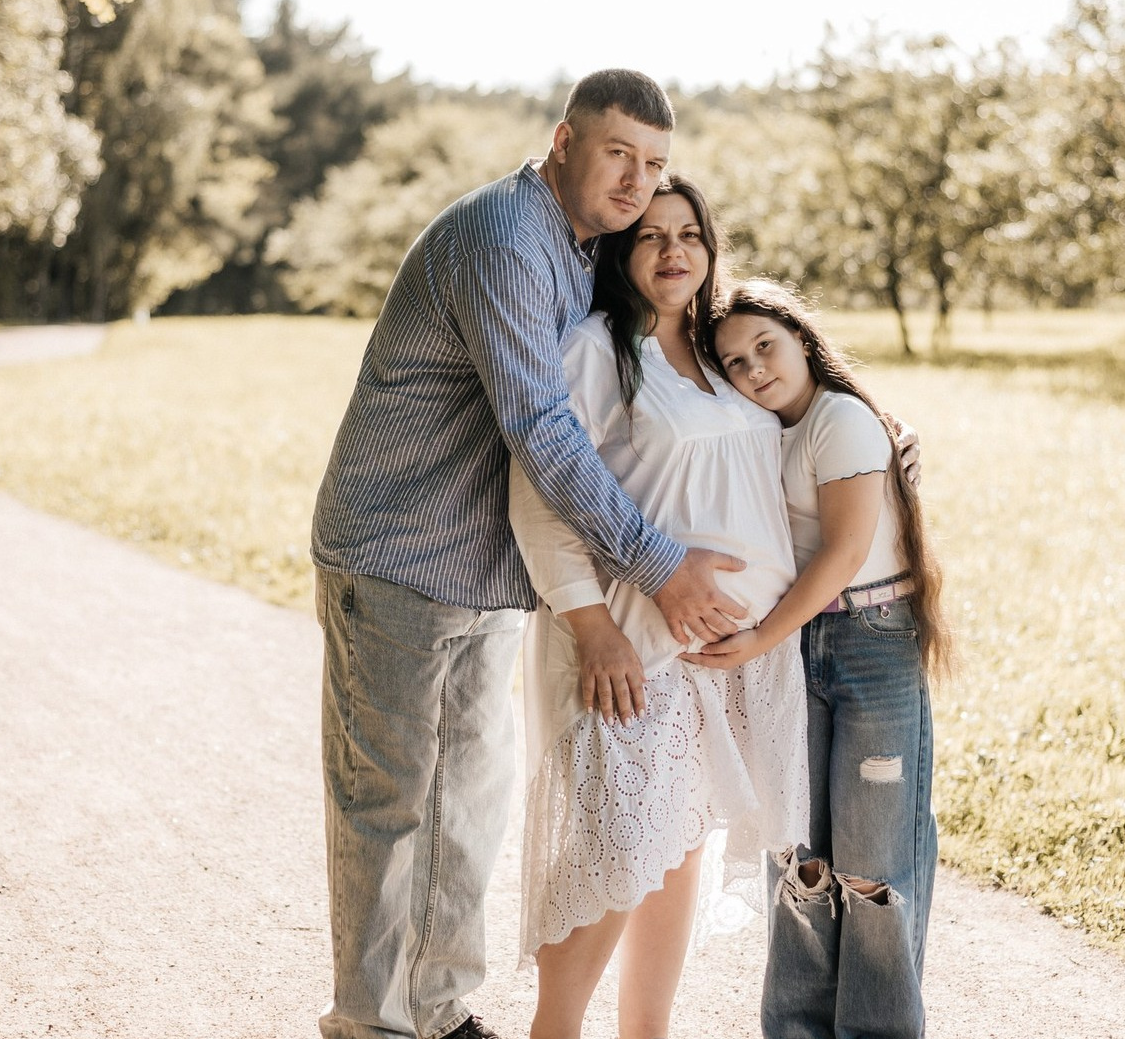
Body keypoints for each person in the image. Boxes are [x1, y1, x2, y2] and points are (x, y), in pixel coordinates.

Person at [309, 70, 751, 1039]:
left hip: (479, 573)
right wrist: (655, 562)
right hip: (392, 555)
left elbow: (679, 343)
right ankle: (368, 1025)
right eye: (617, 153)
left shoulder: (579, 245)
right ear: (562, 141)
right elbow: (546, 433)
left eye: (655, 163)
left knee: (465, 803)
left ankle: (435, 1011)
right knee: (388, 803)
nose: (637, 181)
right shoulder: (505, 237)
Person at [508, 178, 811, 1039]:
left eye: (689, 234)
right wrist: (591, 626)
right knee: (619, 852)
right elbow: (539, 494)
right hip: (626, 643)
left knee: (679, 853)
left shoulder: (726, 358)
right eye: (650, 237)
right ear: (618, 253)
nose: (674, 251)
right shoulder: (596, 350)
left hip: (727, 657)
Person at [695, 278, 955, 1039]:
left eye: (765, 346)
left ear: (803, 339)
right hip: (797, 649)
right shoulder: (756, 433)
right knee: (799, 861)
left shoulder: (839, 421)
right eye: (735, 362)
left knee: (873, 869)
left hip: (870, 642)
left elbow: (842, 553)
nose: (754, 370)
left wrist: (758, 638)